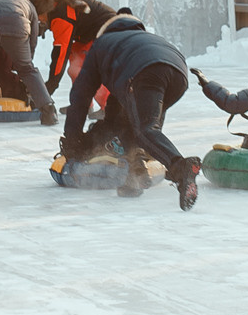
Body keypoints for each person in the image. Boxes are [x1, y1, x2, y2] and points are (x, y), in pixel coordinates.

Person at [63, 15, 202, 209]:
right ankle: (134, 177)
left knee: (145, 130)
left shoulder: (103, 43)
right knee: (142, 125)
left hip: (145, 71)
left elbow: (80, 95)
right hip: (179, 74)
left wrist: (72, 139)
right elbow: (118, 107)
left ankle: (181, 168)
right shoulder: (139, 39)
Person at [32, 0, 117, 95]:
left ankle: (106, 106)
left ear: (43, 12)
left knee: (82, 67)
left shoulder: (61, 17)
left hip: (107, 31)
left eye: (37, 18)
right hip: (96, 31)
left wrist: (50, 86)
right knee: (75, 63)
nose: (38, 21)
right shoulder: (57, 2)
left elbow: (60, 54)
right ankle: (82, 102)